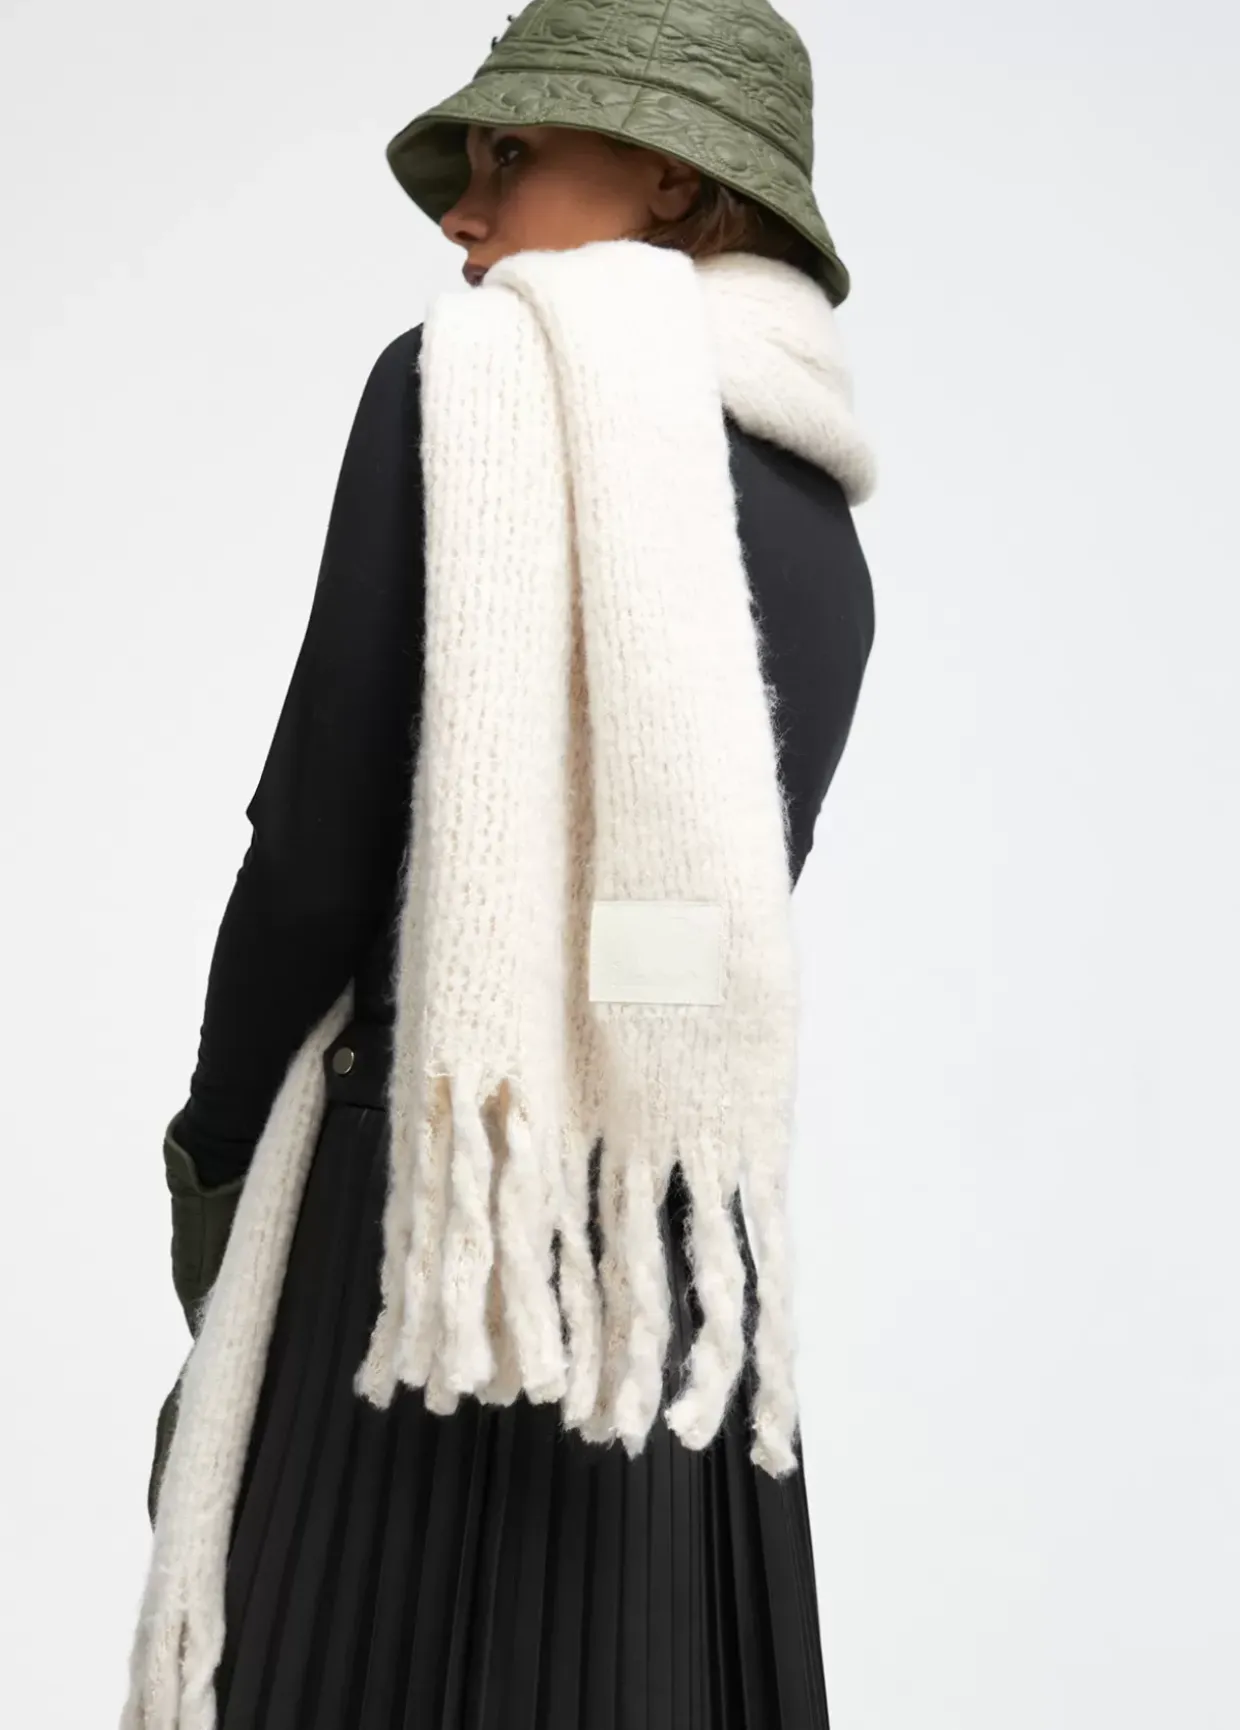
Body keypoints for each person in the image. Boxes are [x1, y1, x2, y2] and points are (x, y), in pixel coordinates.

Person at [123, 3, 877, 1727]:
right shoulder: (828, 530)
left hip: (421, 1222)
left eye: (513, 155)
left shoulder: (457, 391)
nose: (463, 214)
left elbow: (314, 855)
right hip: (659, 1274)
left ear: (674, 177)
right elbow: (704, 948)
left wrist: (215, 1146)